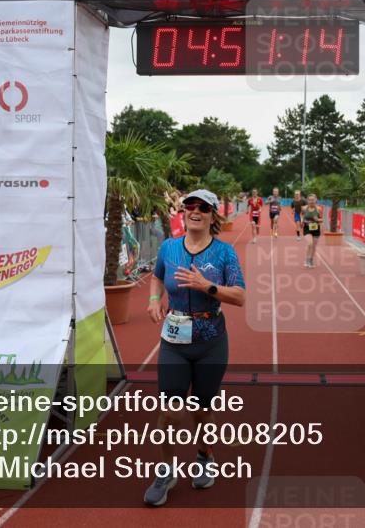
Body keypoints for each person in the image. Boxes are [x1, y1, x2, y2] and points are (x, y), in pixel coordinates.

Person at [144, 189, 246, 507]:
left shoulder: (224, 254)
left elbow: (240, 297)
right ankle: (167, 470)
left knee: (202, 412)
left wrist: (207, 286)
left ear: (213, 215)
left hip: (211, 340)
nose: (195, 211)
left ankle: (204, 454)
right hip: (174, 340)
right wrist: (152, 299)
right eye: (190, 206)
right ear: (183, 212)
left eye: (203, 207)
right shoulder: (169, 247)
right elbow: (157, 278)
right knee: (170, 412)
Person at [302, 193, 323, 268]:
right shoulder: (304, 208)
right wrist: (302, 221)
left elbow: (322, 219)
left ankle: (311, 260)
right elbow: (302, 216)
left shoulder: (319, 209)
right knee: (309, 244)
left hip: (316, 228)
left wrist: (318, 219)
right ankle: (306, 259)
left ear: (316, 200)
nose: (311, 201)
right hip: (307, 228)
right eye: (310, 200)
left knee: (314, 246)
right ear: (307, 200)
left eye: (313, 200)